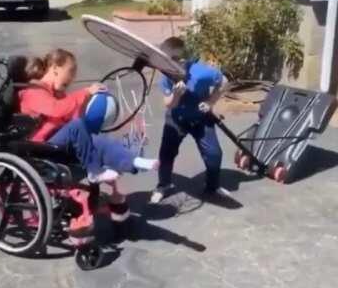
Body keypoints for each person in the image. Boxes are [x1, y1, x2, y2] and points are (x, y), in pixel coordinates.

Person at [17, 49, 158, 224]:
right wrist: (84, 93)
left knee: (96, 139)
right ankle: (95, 172)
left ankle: (134, 162)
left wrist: (86, 102)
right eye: (70, 72)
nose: (72, 78)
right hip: (40, 149)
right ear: (55, 68)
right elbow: (57, 110)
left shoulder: (56, 94)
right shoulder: (33, 91)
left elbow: (73, 117)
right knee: (77, 127)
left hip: (57, 144)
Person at [150, 37, 230, 204]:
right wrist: (176, 94)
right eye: (165, 60)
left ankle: (212, 186)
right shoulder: (166, 76)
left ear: (184, 60)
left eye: (172, 61)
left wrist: (210, 102)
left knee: (214, 154)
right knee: (166, 154)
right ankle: (164, 185)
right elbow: (168, 104)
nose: (168, 65)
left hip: (200, 119)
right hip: (176, 118)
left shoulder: (202, 72)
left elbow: (224, 82)